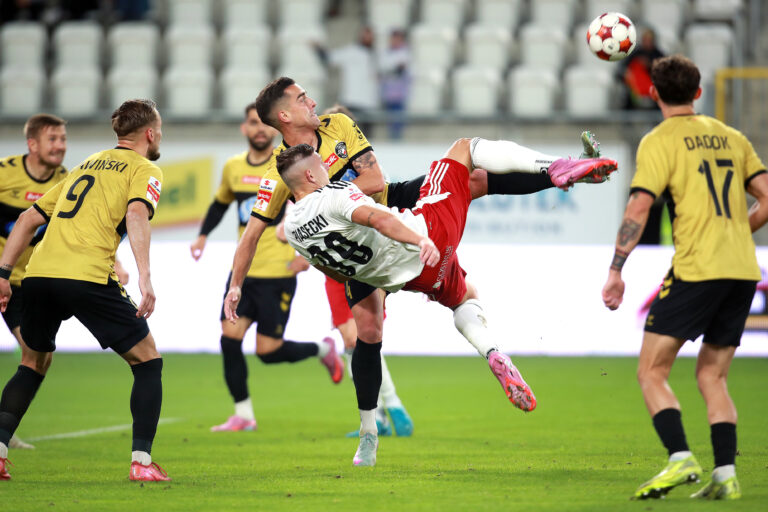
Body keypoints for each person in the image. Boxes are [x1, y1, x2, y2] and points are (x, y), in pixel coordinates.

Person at [222, 77, 613, 437]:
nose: (311, 100)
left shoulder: (335, 125)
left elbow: (375, 182)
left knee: (474, 181)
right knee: (365, 334)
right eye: (301, 97)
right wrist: (236, 283)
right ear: (285, 116)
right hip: (376, 232)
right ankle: (380, 419)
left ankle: (563, 172)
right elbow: (252, 235)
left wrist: (325, 202)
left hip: (386, 209)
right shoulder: (281, 172)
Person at [278, 139, 616, 466]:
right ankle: (555, 167)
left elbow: (332, 271)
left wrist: (375, 277)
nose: (327, 170)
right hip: (430, 236)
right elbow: (378, 218)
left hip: (410, 279)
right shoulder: (335, 193)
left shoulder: (292, 229)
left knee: (462, 296)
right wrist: (419, 239)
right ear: (310, 176)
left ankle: (486, 356)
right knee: (464, 149)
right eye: (322, 166)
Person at [602, 55, 768, 501]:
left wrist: (617, 269)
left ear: (653, 93)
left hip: (698, 269)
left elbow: (639, 208)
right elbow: (767, 197)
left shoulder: (660, 141)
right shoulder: (733, 138)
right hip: (743, 270)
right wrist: (733, 230)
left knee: (651, 371)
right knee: (713, 377)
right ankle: (726, 473)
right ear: (698, 93)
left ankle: (680, 458)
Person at [0, 99, 171, 482]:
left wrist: (2, 274)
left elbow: (29, 218)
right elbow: (136, 213)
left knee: (32, 363)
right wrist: (145, 277)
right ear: (150, 133)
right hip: (87, 275)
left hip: (38, 275)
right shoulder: (145, 168)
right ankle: (142, 464)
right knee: (148, 361)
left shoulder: (86, 164)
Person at [190, 103, 344, 433]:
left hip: (279, 271)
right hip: (244, 273)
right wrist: (202, 235)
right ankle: (243, 414)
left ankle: (322, 349)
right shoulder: (233, 167)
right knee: (229, 338)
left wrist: (308, 256)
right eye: (251, 123)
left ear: (273, 129)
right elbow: (221, 203)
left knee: (268, 351)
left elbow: (312, 205)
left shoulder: (286, 166)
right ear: (244, 129)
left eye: (263, 124)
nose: (259, 129)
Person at [0, 113, 129, 451]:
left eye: (63, 140)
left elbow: (85, 228)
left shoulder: (69, 179)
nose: (60, 146)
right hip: (4, 275)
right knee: (34, 357)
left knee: (37, 357)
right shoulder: (4, 173)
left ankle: (4, 429)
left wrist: (116, 262)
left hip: (28, 283)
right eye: (53, 139)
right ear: (32, 144)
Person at [313, 26, 379, 136]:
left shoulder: (376, 54)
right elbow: (329, 58)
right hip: (351, 100)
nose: (368, 38)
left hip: (369, 103)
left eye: (370, 35)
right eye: (366, 35)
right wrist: (317, 48)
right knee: (348, 136)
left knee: (367, 140)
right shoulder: (351, 51)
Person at [378, 28, 410, 140]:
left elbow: (400, 70)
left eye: (398, 39)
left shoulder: (405, 53)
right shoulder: (385, 53)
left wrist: (390, 71)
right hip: (388, 93)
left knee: (397, 121)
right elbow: (383, 70)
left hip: (399, 94)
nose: (395, 41)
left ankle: (396, 140)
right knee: (389, 120)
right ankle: (392, 138)